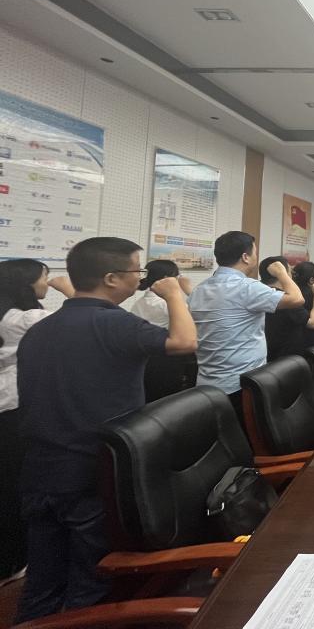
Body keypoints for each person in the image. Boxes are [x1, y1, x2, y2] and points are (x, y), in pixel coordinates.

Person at [15, 237, 196, 623]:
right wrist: (174, 295)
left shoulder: (42, 329)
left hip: (40, 470)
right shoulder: (115, 323)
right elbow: (184, 341)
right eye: (137, 271)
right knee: (91, 579)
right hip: (90, 471)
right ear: (112, 278)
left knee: (42, 581)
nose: (141, 279)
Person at [0, 261, 73, 583]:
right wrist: (69, 289)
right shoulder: (28, 319)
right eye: (45, 278)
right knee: (15, 484)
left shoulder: (8, 317)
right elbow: (82, 316)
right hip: (15, 406)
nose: (48, 282)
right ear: (28, 284)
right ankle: (14, 561)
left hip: (6, 405)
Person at [188, 231, 304, 424]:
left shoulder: (199, 289)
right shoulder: (247, 287)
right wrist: (282, 273)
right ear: (245, 257)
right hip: (242, 384)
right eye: (255, 253)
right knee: (250, 434)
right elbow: (297, 299)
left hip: (206, 384)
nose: (256, 257)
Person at [131, 260, 198, 401]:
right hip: (168, 359)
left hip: (146, 359)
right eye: (177, 276)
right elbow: (197, 314)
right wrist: (187, 290)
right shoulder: (165, 304)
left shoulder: (140, 302)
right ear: (167, 279)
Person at [260, 257, 314, 360]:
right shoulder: (285, 299)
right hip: (285, 360)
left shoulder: (259, 292)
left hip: (266, 356)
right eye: (290, 272)